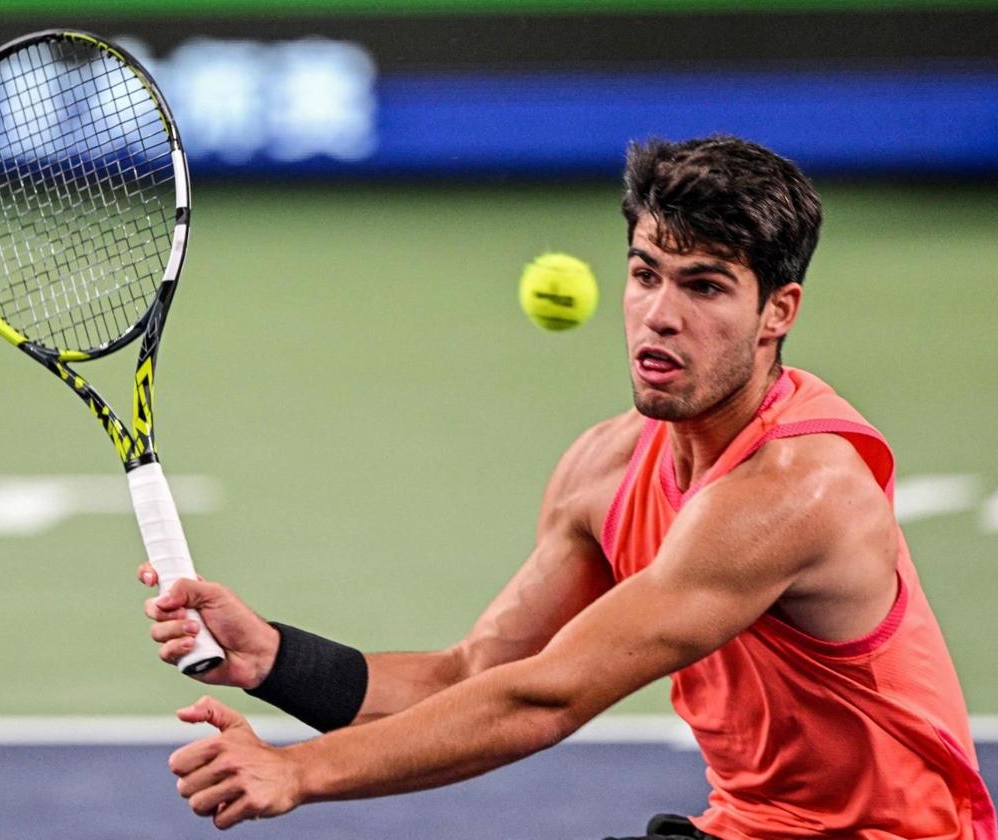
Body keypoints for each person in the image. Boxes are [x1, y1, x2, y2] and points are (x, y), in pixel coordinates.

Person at [138, 135, 996, 839]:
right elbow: (470, 677)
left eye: (705, 287)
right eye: (645, 272)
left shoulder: (795, 489)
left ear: (779, 312)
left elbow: (546, 698)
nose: (661, 314)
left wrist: (296, 770)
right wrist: (274, 659)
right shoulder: (608, 468)